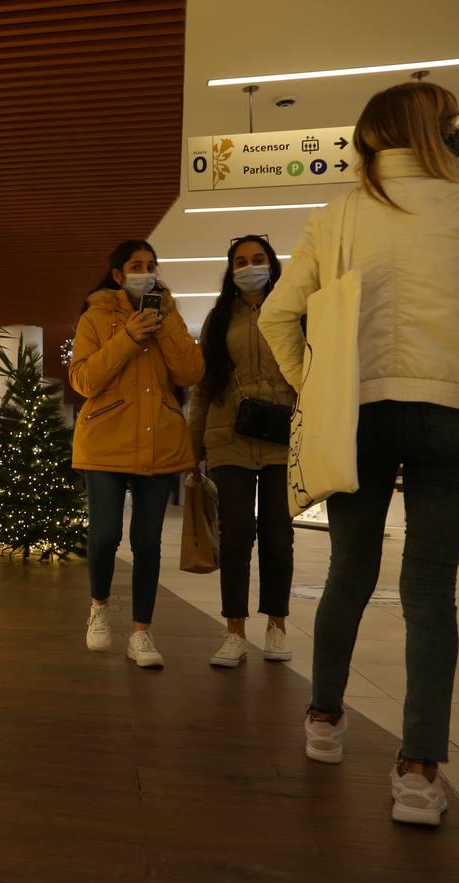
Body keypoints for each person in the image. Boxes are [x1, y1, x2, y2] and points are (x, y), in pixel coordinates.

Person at [258, 81, 459, 826]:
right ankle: (419, 772)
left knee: (350, 572)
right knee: (431, 590)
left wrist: (317, 388)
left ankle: (325, 719)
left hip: (361, 411)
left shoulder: (338, 214)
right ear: (441, 131)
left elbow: (278, 312)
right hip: (455, 409)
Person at [70, 240, 204, 668]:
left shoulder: (170, 315)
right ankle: (99, 608)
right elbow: (84, 380)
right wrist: (128, 336)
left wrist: (163, 326)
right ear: (117, 275)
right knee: (106, 534)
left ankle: (142, 633)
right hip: (105, 439)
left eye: (151, 265)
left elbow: (191, 372)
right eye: (136, 266)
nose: (145, 272)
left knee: (148, 541)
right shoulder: (95, 317)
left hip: (158, 441)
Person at [188, 235, 296, 668]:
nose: (250, 266)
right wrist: (191, 449)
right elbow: (203, 387)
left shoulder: (293, 311)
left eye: (258, 259)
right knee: (235, 536)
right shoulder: (219, 320)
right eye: (241, 261)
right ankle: (233, 630)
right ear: (231, 270)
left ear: (272, 265)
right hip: (227, 435)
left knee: (278, 535)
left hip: (280, 435)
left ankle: (277, 624)